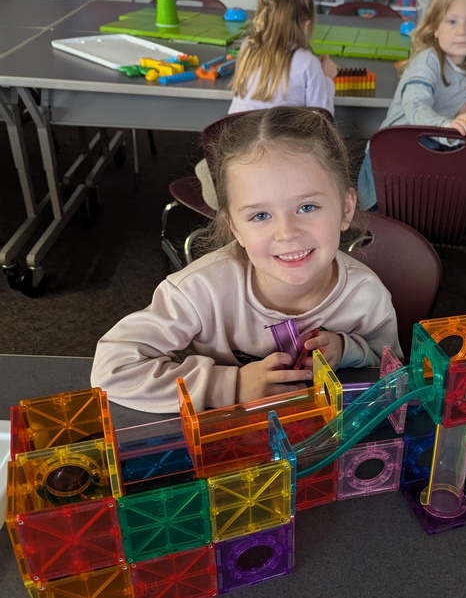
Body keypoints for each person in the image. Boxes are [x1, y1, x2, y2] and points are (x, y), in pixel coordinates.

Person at [91, 107, 401, 413]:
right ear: (235, 227)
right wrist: (230, 385)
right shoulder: (200, 290)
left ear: (346, 209)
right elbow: (112, 370)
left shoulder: (367, 295)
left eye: (307, 207)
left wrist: (346, 350)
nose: (286, 232)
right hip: (229, 443)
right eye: (260, 215)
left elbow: (392, 371)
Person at [357, 0, 466, 210]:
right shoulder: (427, 60)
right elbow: (416, 108)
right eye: (452, 21)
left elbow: (459, 98)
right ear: (435, 28)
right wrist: (447, 126)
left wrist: (464, 115)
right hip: (391, 160)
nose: (461, 31)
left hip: (422, 158)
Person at [228, 0, 337, 116]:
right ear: (305, 25)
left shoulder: (247, 47)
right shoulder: (308, 63)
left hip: (238, 137)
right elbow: (323, 120)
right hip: (279, 139)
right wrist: (327, 79)